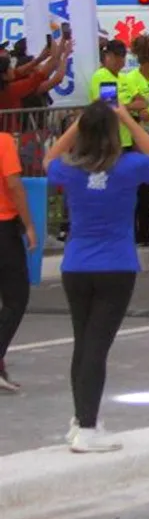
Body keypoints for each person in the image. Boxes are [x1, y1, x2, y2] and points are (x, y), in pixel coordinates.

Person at [46, 101, 149, 452]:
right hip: (116, 265)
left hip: (77, 266)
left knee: (83, 344)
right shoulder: (129, 167)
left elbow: (47, 159)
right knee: (97, 347)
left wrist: (78, 124)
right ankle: (87, 428)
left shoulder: (70, 169)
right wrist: (127, 117)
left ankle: (82, 418)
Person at [0, 125, 32, 392]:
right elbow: (13, 183)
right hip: (3, 227)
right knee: (15, 298)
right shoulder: (3, 142)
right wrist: (29, 224)